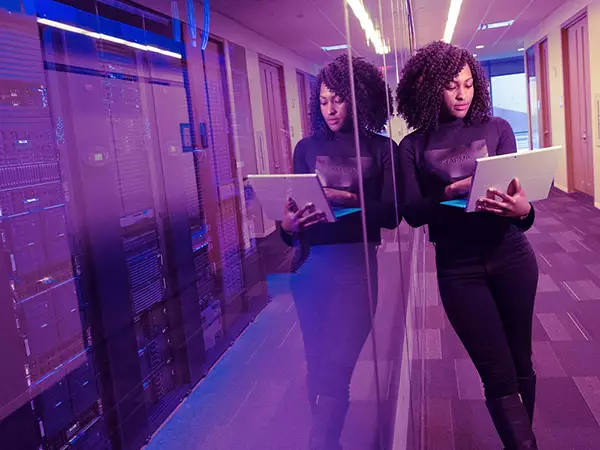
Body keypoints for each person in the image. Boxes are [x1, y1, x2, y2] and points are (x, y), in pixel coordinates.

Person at [396, 41, 539, 449]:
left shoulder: (497, 129)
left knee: (520, 359)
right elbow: (412, 212)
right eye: (451, 86)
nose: (462, 95)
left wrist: (523, 208)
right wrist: (451, 191)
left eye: (468, 84)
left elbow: (522, 215)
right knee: (496, 371)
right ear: (427, 86)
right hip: (459, 270)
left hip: (511, 256)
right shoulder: (414, 145)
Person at [280, 54, 400, 450]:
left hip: (356, 266)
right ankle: (327, 442)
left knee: (338, 363)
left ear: (359, 98)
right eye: (324, 100)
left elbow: (394, 214)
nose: (330, 110)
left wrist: (347, 198)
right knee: (318, 364)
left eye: (339, 100)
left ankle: (320, 441)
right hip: (310, 267)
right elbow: (291, 224)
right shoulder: (305, 147)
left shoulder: (382, 149)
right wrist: (287, 227)